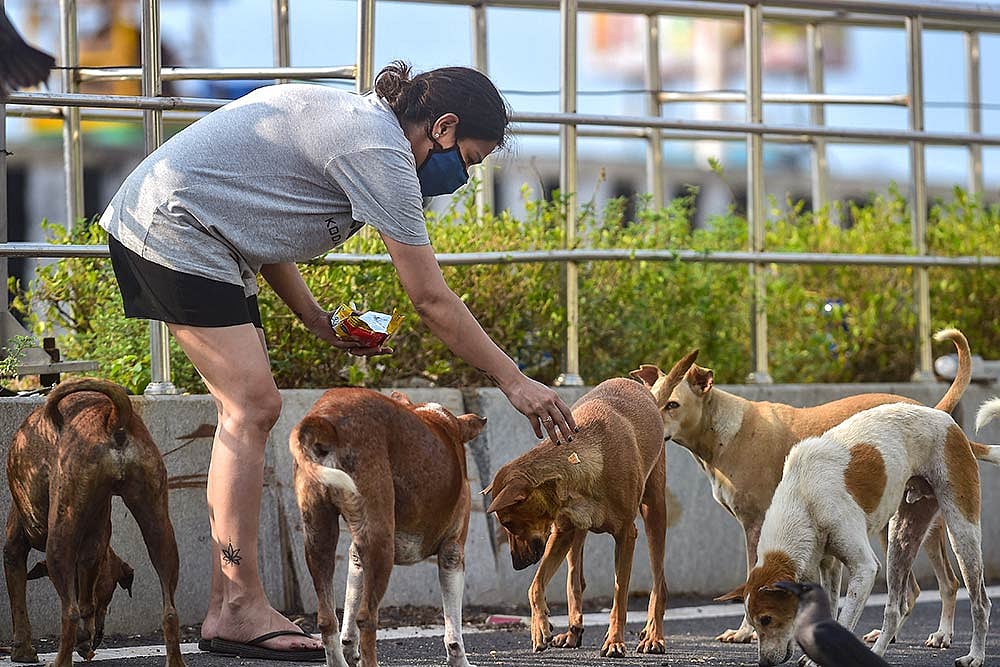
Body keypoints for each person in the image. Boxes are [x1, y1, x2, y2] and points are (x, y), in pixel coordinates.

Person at [98, 61, 578, 660]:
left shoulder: (363, 129)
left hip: (199, 228)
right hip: (172, 225)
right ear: (444, 129)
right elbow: (430, 299)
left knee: (239, 411)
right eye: (470, 161)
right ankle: (240, 606)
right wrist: (515, 381)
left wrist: (316, 319)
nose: (465, 176)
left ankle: (228, 605)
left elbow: (260, 222)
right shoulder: (382, 152)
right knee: (252, 406)